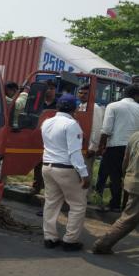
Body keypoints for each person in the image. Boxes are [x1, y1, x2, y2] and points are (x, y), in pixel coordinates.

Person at [41, 94, 90, 251]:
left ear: (58, 107)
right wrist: (84, 173)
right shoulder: (71, 124)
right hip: (65, 169)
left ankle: (50, 237)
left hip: (47, 166)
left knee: (51, 203)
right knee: (77, 205)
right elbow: (74, 152)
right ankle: (70, 240)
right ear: (74, 108)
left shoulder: (46, 122)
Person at [92, 131, 139, 254]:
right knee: (129, 219)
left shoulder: (135, 136)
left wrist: (126, 175)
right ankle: (103, 244)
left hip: (132, 180)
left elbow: (126, 160)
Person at [95, 84, 139, 212]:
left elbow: (106, 129)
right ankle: (125, 206)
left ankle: (110, 203)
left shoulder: (113, 106)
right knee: (128, 176)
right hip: (134, 147)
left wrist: (101, 146)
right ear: (136, 96)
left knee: (111, 175)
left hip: (115, 146)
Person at [77, 84, 104, 201]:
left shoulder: (95, 108)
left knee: (86, 172)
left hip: (88, 147)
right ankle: (78, 197)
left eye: (85, 94)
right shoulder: (81, 106)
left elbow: (97, 129)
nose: (82, 95)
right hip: (79, 146)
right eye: (81, 93)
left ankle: (85, 199)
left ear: (91, 95)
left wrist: (93, 147)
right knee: (78, 173)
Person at [32, 79, 57, 195]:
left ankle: (49, 190)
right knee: (37, 162)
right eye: (47, 88)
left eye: (52, 89)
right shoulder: (37, 102)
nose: (49, 91)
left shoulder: (59, 104)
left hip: (54, 138)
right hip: (38, 136)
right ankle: (36, 186)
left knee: (50, 164)